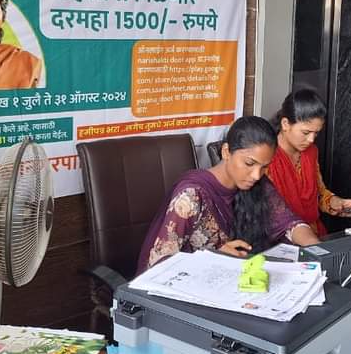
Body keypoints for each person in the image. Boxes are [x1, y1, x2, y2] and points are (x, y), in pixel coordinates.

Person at [137, 116, 320, 272]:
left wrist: (318, 249)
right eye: (249, 163)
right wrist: (212, 257)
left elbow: (289, 224)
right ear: (226, 152)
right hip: (193, 288)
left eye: (264, 167)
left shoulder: (258, 184)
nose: (256, 175)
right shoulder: (191, 196)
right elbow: (159, 265)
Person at [265, 89, 351, 238]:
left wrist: (336, 202)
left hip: (314, 232)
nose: (311, 139)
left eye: (316, 133)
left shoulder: (311, 152)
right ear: (285, 124)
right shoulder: (266, 156)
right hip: (281, 237)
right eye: (305, 132)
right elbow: (266, 211)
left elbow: (319, 194)